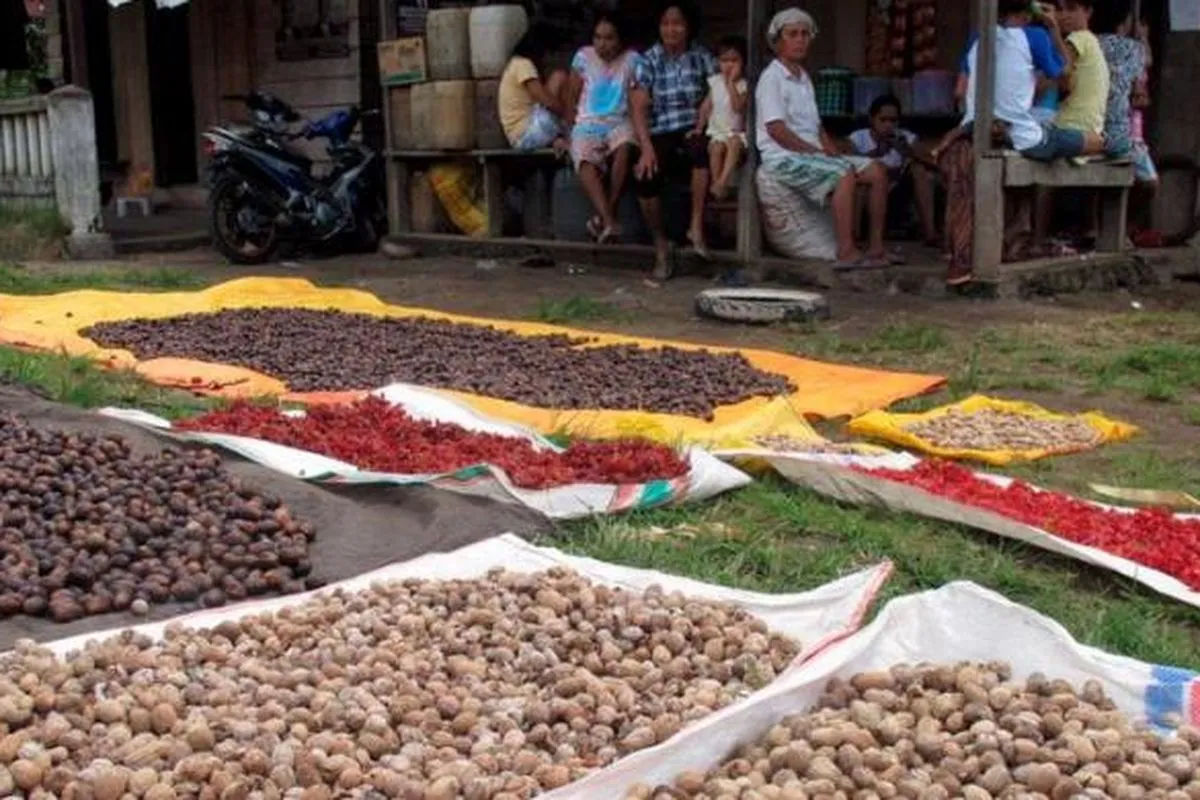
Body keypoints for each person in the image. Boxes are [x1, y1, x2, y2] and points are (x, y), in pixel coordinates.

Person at [932, 0, 1072, 285]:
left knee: (965, 171)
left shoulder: (977, 36)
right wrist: (1054, 28)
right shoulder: (1036, 36)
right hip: (1014, 132)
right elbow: (1066, 73)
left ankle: (960, 253)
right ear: (1029, 11)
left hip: (972, 129)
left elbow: (960, 90)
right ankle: (1009, 243)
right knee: (1061, 147)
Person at [756, 8, 891, 269]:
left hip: (809, 153)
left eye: (805, 34)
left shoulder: (804, 78)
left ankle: (875, 249)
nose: (800, 40)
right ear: (777, 41)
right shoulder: (771, 78)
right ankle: (846, 252)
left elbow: (817, 128)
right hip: (783, 157)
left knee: (875, 171)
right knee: (843, 174)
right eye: (793, 34)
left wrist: (830, 152)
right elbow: (777, 131)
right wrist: (816, 154)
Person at [630, 1, 718, 279]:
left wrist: (703, 118)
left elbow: (717, 91)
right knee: (646, 176)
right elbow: (639, 106)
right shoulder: (649, 60)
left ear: (688, 27)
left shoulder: (701, 56)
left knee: (700, 153)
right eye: (666, 23)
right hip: (660, 132)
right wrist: (645, 148)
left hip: (693, 128)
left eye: (678, 23)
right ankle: (661, 245)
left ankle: (695, 228)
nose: (672, 29)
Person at [568, 12, 640, 243]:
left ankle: (604, 215)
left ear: (620, 39)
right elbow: (571, 96)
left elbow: (636, 97)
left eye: (609, 38)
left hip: (619, 120)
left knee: (626, 144)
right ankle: (609, 221)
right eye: (598, 37)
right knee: (583, 157)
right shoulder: (583, 57)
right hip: (587, 122)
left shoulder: (633, 60)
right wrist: (568, 130)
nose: (602, 44)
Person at [849, 94, 939, 247]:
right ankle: (855, 237)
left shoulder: (906, 137)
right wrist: (876, 153)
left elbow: (933, 163)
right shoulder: (858, 138)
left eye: (893, 121)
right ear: (872, 119)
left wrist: (908, 151)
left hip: (899, 191)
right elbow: (848, 164)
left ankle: (930, 233)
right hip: (870, 189)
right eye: (883, 120)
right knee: (860, 183)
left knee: (920, 170)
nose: (888, 125)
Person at [499, 22, 570, 153]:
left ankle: (560, 136)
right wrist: (569, 115)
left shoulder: (515, 64)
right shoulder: (523, 64)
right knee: (559, 77)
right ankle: (571, 131)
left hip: (523, 134)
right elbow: (545, 99)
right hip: (525, 134)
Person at [696, 36, 749, 200]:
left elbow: (738, 107)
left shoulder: (744, 85)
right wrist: (699, 127)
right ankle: (718, 183)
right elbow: (706, 107)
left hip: (737, 132)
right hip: (717, 131)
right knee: (716, 148)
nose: (729, 65)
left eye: (734, 60)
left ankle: (721, 182)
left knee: (733, 142)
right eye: (724, 60)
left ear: (743, 63)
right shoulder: (715, 82)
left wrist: (732, 84)